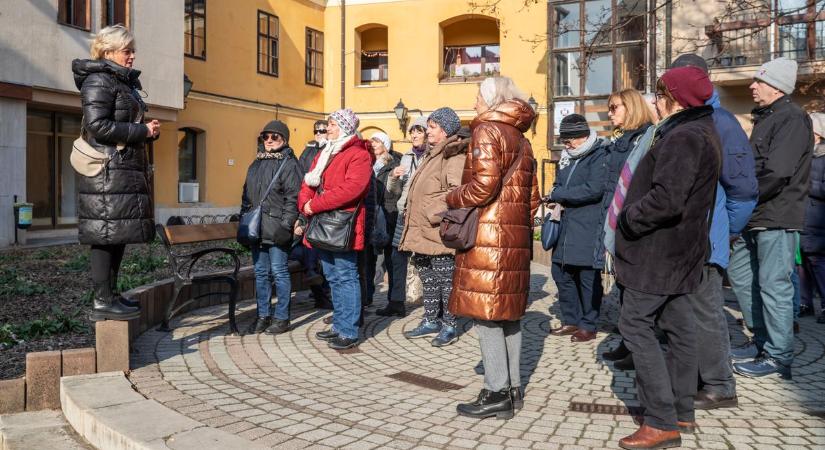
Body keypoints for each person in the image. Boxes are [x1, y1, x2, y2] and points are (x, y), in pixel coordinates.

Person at [615, 66, 720, 449]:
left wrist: (628, 220)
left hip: (659, 251)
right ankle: (679, 409)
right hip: (677, 250)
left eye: (660, 95)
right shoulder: (699, 130)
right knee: (678, 326)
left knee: (635, 326)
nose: (655, 101)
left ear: (675, 99)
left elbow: (667, 200)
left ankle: (661, 421)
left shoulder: (685, 136)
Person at [669, 54, 759, 409]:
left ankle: (721, 385)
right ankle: (694, 379)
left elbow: (743, 189)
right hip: (685, 237)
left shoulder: (720, 122)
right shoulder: (687, 120)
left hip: (706, 237)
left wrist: (724, 230)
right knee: (686, 311)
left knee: (706, 311)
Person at [449, 77, 539, 419]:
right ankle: (513, 388)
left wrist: (452, 197)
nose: (473, 104)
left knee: (486, 315)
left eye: (476, 97)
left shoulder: (487, 129)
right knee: (509, 315)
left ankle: (496, 391)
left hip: (488, 236)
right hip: (513, 237)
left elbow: (482, 187)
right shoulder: (522, 139)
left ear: (490, 99)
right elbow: (532, 199)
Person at [728, 58, 814, 379]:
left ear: (776, 87)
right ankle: (762, 341)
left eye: (758, 81)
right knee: (741, 276)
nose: (752, 85)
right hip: (756, 215)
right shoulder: (768, 118)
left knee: (774, 286)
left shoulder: (792, 118)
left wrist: (743, 197)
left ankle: (778, 356)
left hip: (777, 216)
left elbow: (777, 171)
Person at [72, 25, 160, 321]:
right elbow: (98, 126)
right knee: (105, 236)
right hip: (107, 172)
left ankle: (110, 295)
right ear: (108, 51)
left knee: (116, 235)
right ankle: (101, 301)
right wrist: (141, 130)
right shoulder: (99, 80)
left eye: (133, 50)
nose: (132, 56)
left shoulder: (121, 82)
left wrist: (147, 133)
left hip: (121, 170)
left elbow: (120, 124)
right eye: (127, 51)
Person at [298, 109, 372, 350]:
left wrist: (314, 205)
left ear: (345, 127)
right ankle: (339, 325)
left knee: (346, 276)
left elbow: (353, 189)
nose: (327, 128)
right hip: (322, 222)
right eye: (327, 125)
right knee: (332, 276)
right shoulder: (325, 152)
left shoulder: (358, 154)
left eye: (331, 124)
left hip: (341, 224)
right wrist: (304, 203)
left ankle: (349, 331)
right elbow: (309, 182)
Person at [398, 107, 466, 347]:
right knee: (427, 275)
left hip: (437, 230)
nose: (428, 131)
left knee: (445, 278)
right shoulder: (432, 154)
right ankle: (431, 319)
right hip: (421, 230)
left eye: (433, 127)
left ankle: (449, 324)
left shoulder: (453, 155)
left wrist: (428, 211)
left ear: (446, 131)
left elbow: (455, 193)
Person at [599, 88, 656, 369]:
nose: (610, 114)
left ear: (631, 107)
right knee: (623, 290)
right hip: (615, 218)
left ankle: (637, 348)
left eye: (615, 108)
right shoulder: (619, 141)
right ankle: (628, 342)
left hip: (630, 223)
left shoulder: (643, 139)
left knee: (633, 292)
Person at [546, 114, 608, 343]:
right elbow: (559, 184)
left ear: (582, 136)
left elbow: (594, 189)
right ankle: (571, 319)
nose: (566, 144)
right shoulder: (567, 157)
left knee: (587, 277)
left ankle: (588, 324)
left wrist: (559, 194)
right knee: (560, 272)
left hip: (588, 225)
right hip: (566, 224)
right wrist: (555, 193)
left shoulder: (599, 154)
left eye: (569, 140)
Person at [240, 120, 302, 334]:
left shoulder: (289, 164)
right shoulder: (256, 163)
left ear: (284, 139)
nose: (269, 140)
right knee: (261, 273)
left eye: (274, 137)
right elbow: (246, 195)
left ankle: (282, 318)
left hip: (277, 228)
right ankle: (263, 315)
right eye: (265, 136)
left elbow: (293, 198)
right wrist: (244, 218)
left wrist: (285, 226)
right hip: (257, 229)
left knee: (279, 272)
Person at [377, 117, 429, 317]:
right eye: (412, 132)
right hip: (403, 214)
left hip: (423, 216)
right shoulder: (406, 157)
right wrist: (393, 178)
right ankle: (396, 302)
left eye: (419, 131)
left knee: (426, 260)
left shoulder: (432, 155)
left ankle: (435, 306)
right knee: (396, 259)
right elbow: (395, 191)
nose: (414, 135)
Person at [294, 120, 330, 308]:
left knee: (317, 251)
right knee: (309, 252)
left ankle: (322, 293)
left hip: (325, 207)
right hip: (307, 207)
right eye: (316, 131)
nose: (319, 133)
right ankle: (320, 293)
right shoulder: (308, 151)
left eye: (323, 130)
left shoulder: (332, 150)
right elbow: (301, 178)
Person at [368, 132, 402, 305]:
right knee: (369, 259)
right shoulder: (368, 163)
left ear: (385, 146)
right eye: (372, 141)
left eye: (377, 141)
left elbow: (394, 192)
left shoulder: (394, 164)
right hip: (371, 214)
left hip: (388, 214)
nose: (373, 144)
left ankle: (395, 302)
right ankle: (367, 298)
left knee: (391, 259)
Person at [800, 112, 825, 324]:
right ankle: (804, 303)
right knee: (801, 263)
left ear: (818, 135)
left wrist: (806, 184)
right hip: (801, 218)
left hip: (818, 221)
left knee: (817, 263)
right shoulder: (803, 155)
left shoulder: (823, 158)